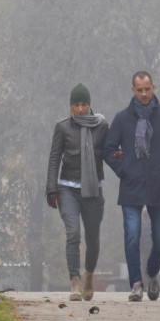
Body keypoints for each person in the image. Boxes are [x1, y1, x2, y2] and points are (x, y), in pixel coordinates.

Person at [103, 70, 160, 302]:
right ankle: (136, 284)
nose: (144, 93)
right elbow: (108, 149)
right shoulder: (122, 119)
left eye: (147, 89)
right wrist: (123, 170)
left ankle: (152, 272)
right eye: (139, 90)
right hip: (132, 186)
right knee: (131, 236)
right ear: (133, 90)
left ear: (153, 88)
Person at [45, 83, 110, 302]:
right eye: (76, 105)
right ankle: (74, 280)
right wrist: (51, 188)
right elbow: (54, 157)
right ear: (71, 106)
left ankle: (88, 276)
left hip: (93, 191)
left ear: (89, 105)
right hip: (67, 189)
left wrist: (123, 163)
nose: (80, 109)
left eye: (83, 104)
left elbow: (109, 153)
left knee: (93, 239)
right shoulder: (62, 127)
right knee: (73, 234)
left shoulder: (101, 126)